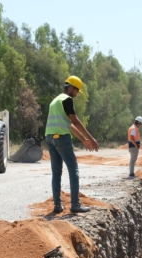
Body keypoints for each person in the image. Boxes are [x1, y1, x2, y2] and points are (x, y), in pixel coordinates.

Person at [44, 76, 100, 214]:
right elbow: (75, 121)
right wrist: (91, 138)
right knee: (73, 170)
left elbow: (67, 124)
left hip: (50, 138)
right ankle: (75, 204)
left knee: (56, 172)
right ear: (71, 88)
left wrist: (83, 139)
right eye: (76, 91)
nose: (76, 95)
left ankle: (57, 205)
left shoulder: (55, 101)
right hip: (62, 139)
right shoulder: (66, 100)